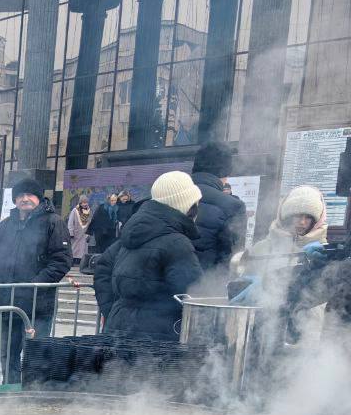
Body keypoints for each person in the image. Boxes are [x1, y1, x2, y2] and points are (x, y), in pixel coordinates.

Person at [91, 172, 202, 340]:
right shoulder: (177, 243)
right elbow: (192, 293)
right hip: (157, 339)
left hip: (118, 330)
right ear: (186, 205)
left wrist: (114, 310)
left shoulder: (133, 230)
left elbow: (103, 268)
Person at [0, 177, 72, 383]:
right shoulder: (5, 225)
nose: (24, 199)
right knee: (7, 355)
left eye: (29, 195)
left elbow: (61, 261)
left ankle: (32, 396)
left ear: (39, 198)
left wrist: (33, 285)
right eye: (20, 195)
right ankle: (10, 392)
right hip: (7, 302)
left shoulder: (53, 222)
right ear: (15, 200)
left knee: (35, 354)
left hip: (37, 304)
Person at [191, 141, 247, 272]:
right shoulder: (233, 206)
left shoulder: (168, 197)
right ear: (225, 173)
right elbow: (232, 260)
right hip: (204, 288)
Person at [67, 196, 92, 266]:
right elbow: (70, 222)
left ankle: (81, 262)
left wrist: (89, 233)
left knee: (83, 250)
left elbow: (90, 222)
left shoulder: (88, 211)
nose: (85, 204)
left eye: (86, 202)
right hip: (76, 233)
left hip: (84, 234)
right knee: (74, 249)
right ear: (80, 203)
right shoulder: (75, 210)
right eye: (83, 202)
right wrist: (71, 232)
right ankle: (71, 262)